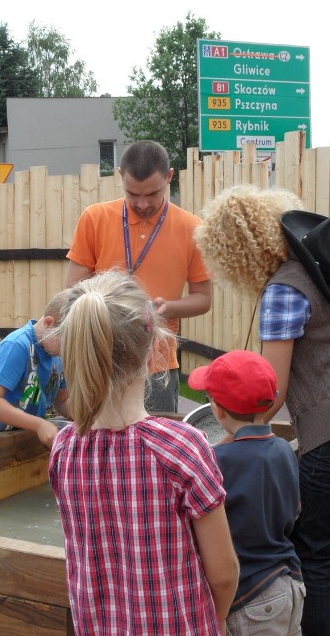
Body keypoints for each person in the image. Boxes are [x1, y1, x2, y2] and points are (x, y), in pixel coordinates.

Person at [195, 185, 330, 636]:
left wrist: (234, 437)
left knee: (310, 549)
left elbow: (269, 391)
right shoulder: (322, 270)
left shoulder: (283, 290)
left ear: (236, 252)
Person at [49, 270, 239, 635]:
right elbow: (224, 574)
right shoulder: (180, 448)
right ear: (155, 352)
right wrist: (217, 619)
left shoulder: (64, 448)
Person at [65, 140, 212, 413]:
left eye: (153, 194)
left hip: (158, 364)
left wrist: (167, 308)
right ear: (120, 175)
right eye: (133, 194)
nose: (143, 204)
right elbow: (73, 291)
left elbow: (203, 299)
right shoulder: (94, 218)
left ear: (169, 177)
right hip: (100, 358)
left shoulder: (192, 228)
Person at [189, 349, 304, 636]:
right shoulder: (284, 450)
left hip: (251, 594)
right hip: (290, 583)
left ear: (218, 411)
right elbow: (296, 510)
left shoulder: (219, 460)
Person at [0, 289, 70, 448]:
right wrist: (39, 425)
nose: (71, 348)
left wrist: (88, 418)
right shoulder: (17, 346)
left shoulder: (57, 354)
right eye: (68, 340)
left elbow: (62, 401)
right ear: (48, 323)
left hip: (18, 447)